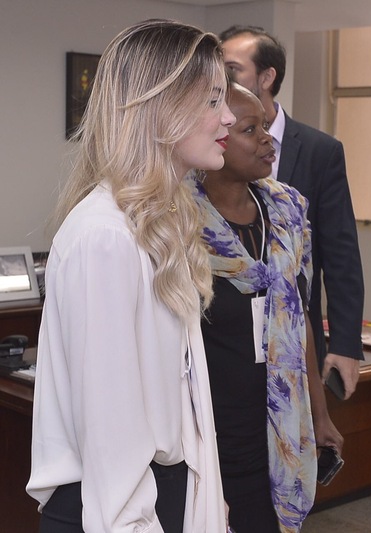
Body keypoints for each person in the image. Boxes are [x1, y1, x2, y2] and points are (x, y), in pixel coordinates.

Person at [27, 19, 236, 532]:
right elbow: (112, 434)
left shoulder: (154, 224)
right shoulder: (106, 237)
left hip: (158, 494)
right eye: (213, 101)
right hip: (115, 511)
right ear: (161, 108)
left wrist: (205, 499)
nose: (229, 116)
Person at [191, 82, 343, 533]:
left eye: (266, 126)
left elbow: (300, 318)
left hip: (280, 420)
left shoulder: (288, 210)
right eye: (250, 129)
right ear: (215, 136)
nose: (267, 139)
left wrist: (319, 414)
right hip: (209, 427)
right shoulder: (178, 224)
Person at [219, 25, 365, 400]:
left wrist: (345, 343)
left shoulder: (320, 151)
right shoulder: (211, 142)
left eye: (232, 69)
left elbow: (341, 253)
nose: (220, 76)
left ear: (267, 77)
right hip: (227, 337)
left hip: (297, 337)